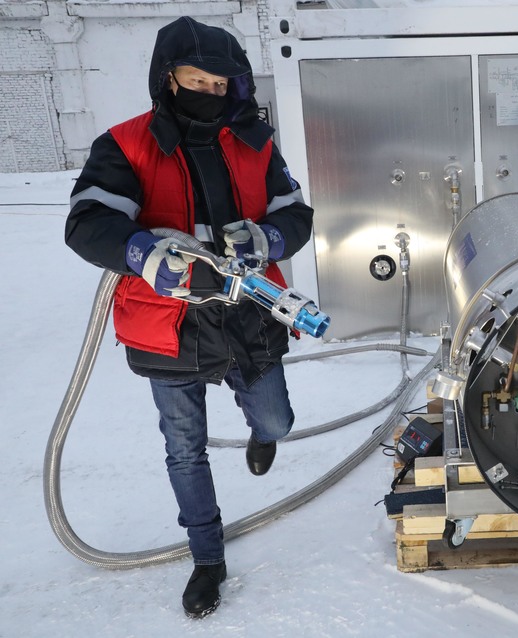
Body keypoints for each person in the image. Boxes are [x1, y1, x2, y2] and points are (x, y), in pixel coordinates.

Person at [65, 16, 314, 618]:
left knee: (278, 420)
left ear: (237, 86)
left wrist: (266, 239)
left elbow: (295, 214)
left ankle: (263, 434)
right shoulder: (125, 145)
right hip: (167, 320)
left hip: (248, 310)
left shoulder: (255, 143)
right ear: (166, 79)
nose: (207, 91)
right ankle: (207, 557)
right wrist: (146, 256)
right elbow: (88, 220)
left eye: (218, 83)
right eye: (193, 79)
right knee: (184, 448)